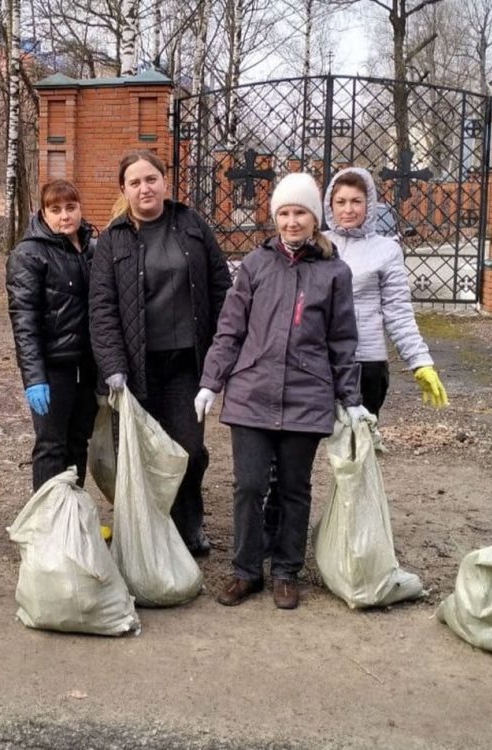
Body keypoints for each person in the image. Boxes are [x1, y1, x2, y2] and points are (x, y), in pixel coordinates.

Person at [194, 173, 366, 610]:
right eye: (284, 213)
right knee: (249, 486)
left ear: (315, 218)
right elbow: (230, 329)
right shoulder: (256, 265)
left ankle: (287, 571)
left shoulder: (334, 272)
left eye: (300, 213)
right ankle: (246, 570)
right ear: (275, 218)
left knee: (294, 488)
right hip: (253, 392)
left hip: (307, 395)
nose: (292, 222)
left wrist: (351, 399)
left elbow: (343, 340)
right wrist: (211, 381)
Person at [90, 150, 232, 556]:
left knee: (189, 450)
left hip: (187, 364)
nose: (144, 188)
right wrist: (114, 367)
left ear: (165, 181)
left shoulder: (191, 226)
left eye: (151, 179)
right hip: (136, 368)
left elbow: (221, 288)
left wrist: (222, 351)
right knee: (140, 454)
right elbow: (101, 309)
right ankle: (146, 533)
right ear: (124, 190)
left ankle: (188, 526)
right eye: (134, 182)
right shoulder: (113, 239)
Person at [323, 167, 448, 418]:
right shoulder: (318, 245)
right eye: (341, 202)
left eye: (356, 201)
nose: (348, 209)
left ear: (369, 204)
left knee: (360, 438)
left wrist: (420, 362)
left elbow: (398, 312)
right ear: (330, 205)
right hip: (319, 359)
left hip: (365, 362)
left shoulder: (386, 250)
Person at [7, 179, 98, 491]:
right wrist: (34, 378)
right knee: (51, 445)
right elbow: (25, 321)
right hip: (53, 368)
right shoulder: (29, 254)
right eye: (55, 209)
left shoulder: (91, 249)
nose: (65, 216)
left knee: (79, 441)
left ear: (80, 209)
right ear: (43, 213)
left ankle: (72, 511)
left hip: (87, 367)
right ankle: (48, 516)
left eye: (71, 207)